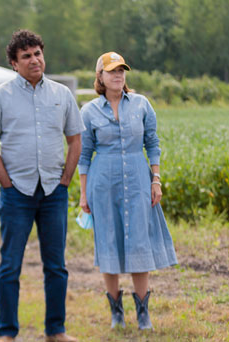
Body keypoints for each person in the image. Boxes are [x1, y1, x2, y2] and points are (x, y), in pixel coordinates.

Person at [0, 29, 84, 342]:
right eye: (26, 56)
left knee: (56, 267)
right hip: (17, 195)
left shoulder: (62, 95)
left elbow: (75, 140)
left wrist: (66, 180)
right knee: (10, 266)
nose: (34, 60)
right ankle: (7, 332)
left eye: (37, 53)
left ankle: (56, 330)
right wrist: (7, 185)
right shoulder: (0, 96)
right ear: (14, 63)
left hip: (54, 191)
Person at [78, 52, 177, 331]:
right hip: (103, 184)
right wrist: (84, 195)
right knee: (108, 242)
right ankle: (116, 312)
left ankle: (143, 312)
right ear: (100, 77)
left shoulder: (142, 105)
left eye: (122, 70)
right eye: (112, 71)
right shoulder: (89, 112)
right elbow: (84, 156)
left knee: (138, 242)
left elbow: (152, 144)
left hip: (137, 180)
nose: (118, 75)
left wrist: (155, 180)